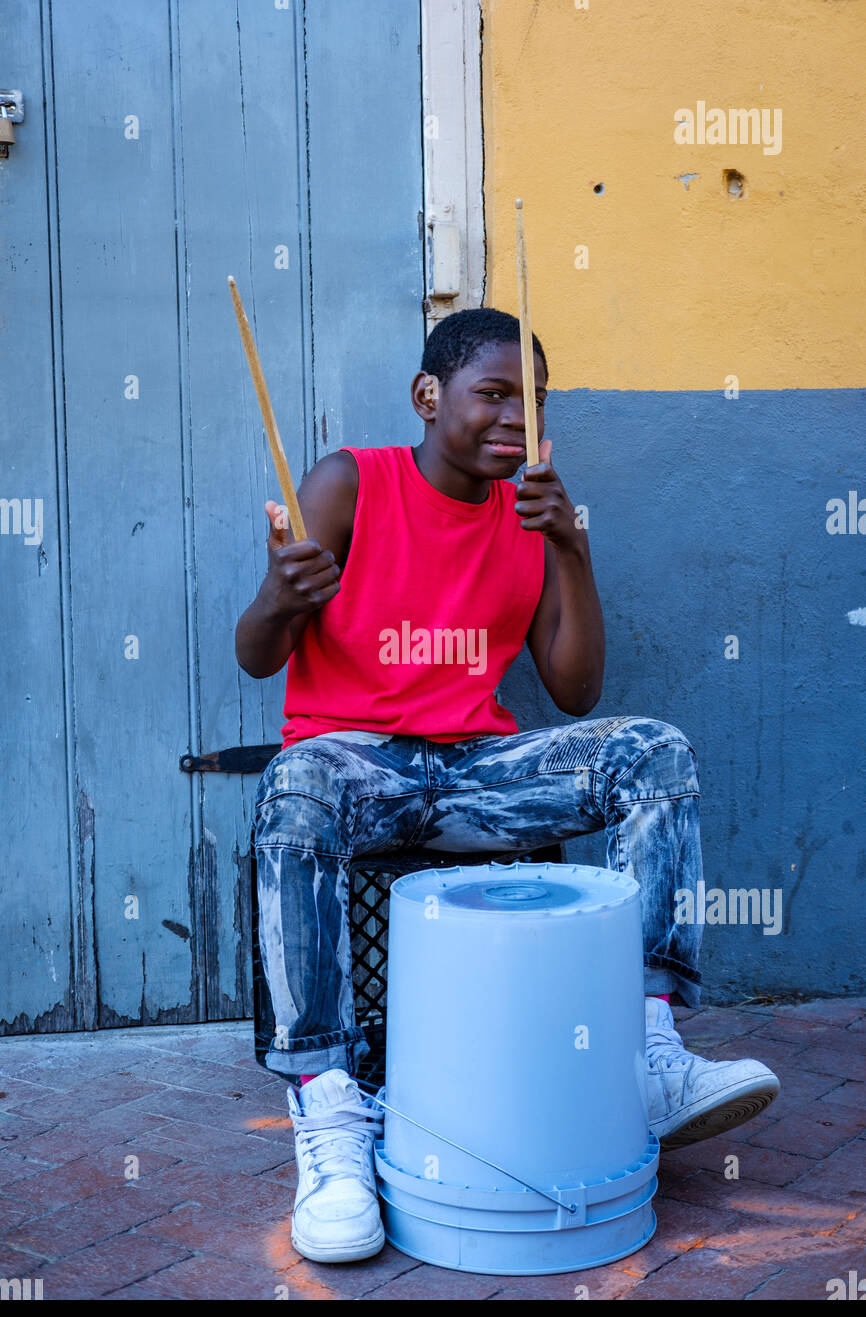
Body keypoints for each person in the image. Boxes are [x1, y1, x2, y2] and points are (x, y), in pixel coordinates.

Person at [235, 307, 780, 1265]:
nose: (513, 423)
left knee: (650, 751)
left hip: (479, 769)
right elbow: (256, 656)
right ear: (427, 396)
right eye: (492, 396)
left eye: (530, 404)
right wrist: (280, 599)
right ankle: (328, 1114)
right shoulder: (350, 482)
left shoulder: (530, 513)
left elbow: (576, 693)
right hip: (354, 761)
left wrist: (570, 543)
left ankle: (646, 1052)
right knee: (293, 792)